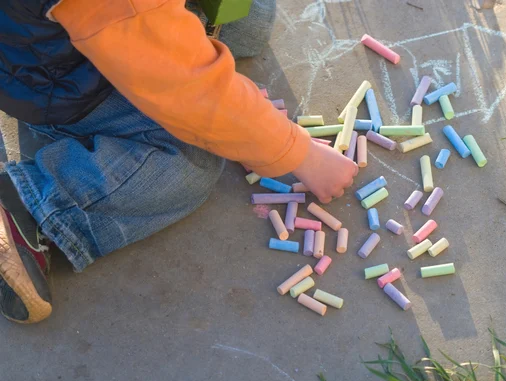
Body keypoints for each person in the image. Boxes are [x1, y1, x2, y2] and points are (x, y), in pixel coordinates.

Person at [0, 0, 357, 324]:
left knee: (251, 20)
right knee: (190, 161)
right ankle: (34, 204)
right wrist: (298, 152)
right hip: (53, 79)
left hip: (68, 28)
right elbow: (187, 89)